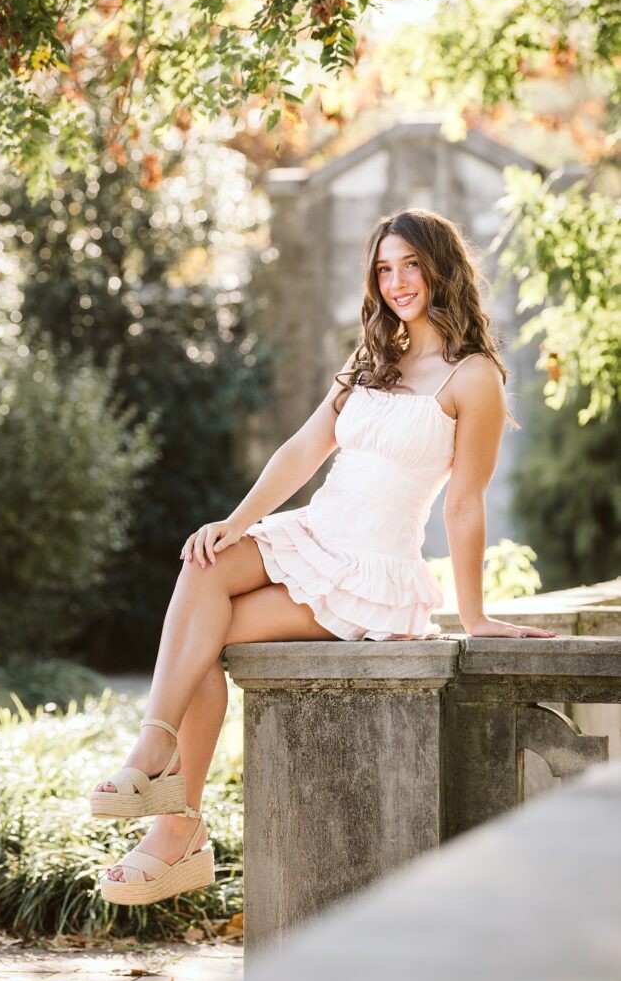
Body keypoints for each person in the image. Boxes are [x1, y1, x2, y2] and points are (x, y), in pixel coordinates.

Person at [91, 207, 556, 906]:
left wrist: (474, 614)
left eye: (410, 264)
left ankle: (172, 822)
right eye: (383, 267)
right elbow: (303, 450)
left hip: (367, 570)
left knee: (202, 633)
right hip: (312, 534)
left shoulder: (473, 378)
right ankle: (165, 783)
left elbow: (464, 503)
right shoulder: (372, 357)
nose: (397, 281)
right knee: (203, 565)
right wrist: (235, 522)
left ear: (441, 268)